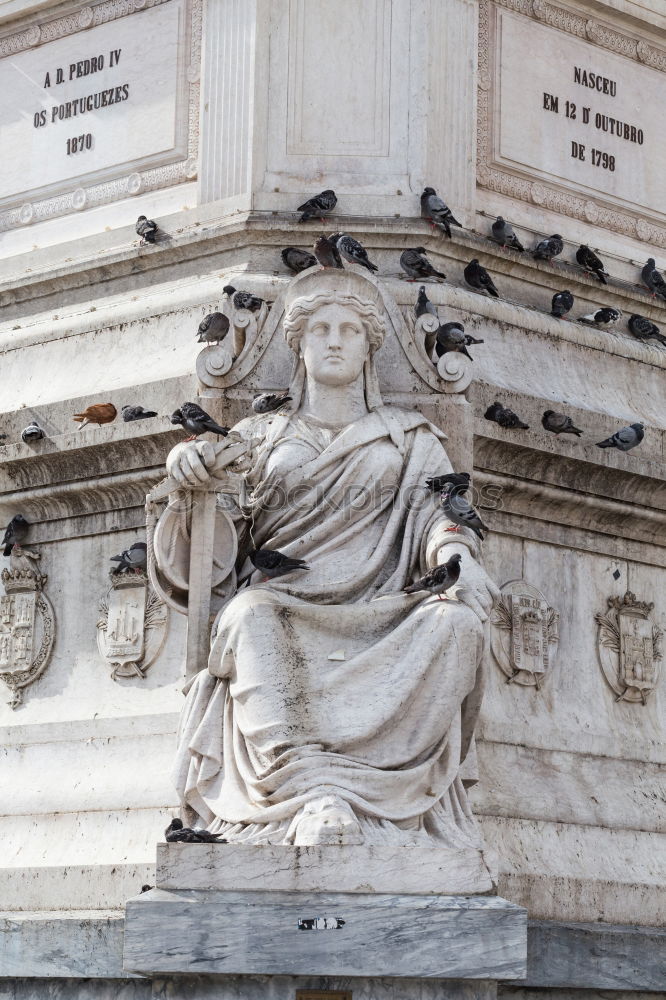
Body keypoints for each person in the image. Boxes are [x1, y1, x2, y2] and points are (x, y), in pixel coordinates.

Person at [164, 269, 498, 848]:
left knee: (457, 624)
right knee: (248, 616)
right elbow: (213, 558)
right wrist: (191, 486)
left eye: (349, 329)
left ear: (370, 346)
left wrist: (456, 556)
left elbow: (439, 518)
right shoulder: (258, 435)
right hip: (284, 605)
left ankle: (374, 792)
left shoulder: (411, 438)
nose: (335, 340)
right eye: (320, 328)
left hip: (388, 611)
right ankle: (312, 788)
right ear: (299, 342)